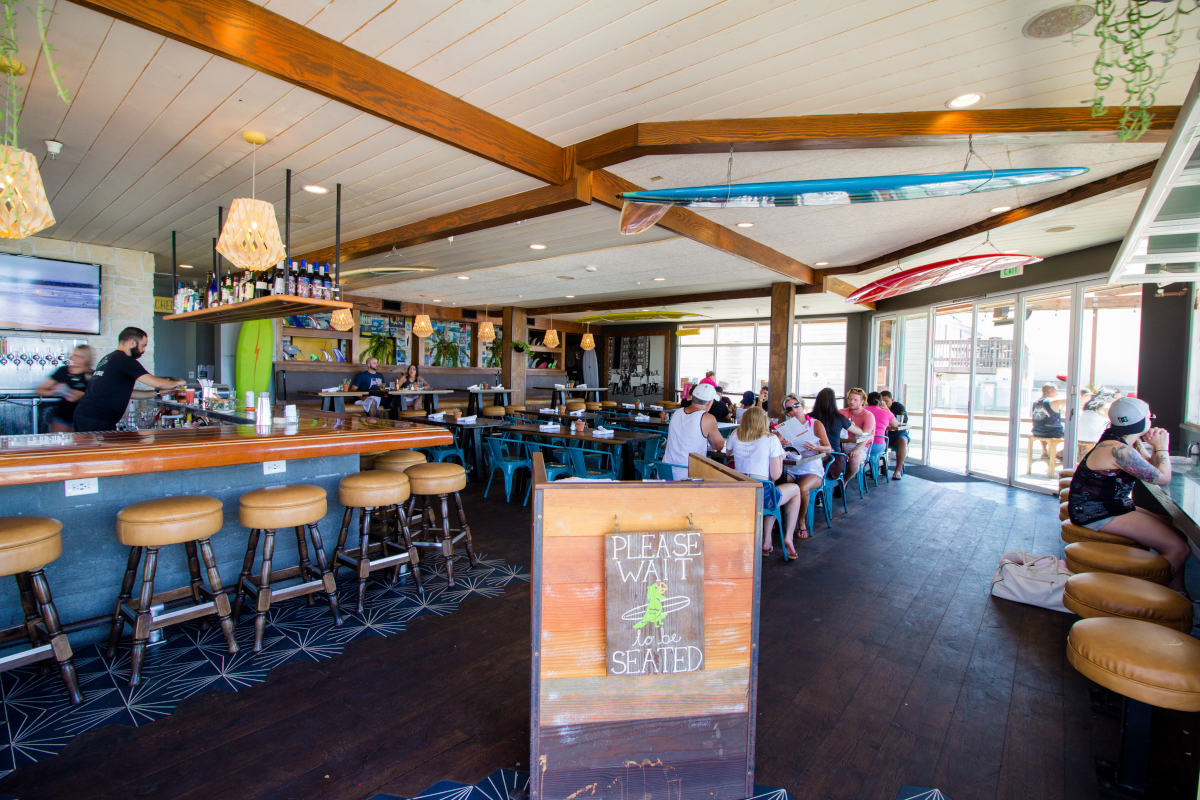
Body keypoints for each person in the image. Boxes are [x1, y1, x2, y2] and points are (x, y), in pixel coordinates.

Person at [1067, 397, 1188, 592]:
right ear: (1142, 423)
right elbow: (1162, 477)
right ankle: (1146, 595)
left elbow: (1150, 468)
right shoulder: (1118, 450)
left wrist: (1149, 445)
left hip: (1106, 505)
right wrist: (1162, 446)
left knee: (1168, 525)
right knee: (1179, 548)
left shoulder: (1120, 442)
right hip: (1097, 512)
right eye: (1151, 417)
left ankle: (1178, 596)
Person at [73, 327, 185, 432]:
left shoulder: (109, 358)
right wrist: (178, 382)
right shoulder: (125, 360)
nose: (143, 350)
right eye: (143, 346)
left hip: (87, 415)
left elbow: (128, 393)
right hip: (96, 419)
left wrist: (157, 393)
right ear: (132, 342)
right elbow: (156, 382)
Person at [726, 406, 803, 559]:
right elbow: (776, 474)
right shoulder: (771, 439)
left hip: (740, 492)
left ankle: (767, 541)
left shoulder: (735, 434)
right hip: (761, 493)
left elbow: (728, 453)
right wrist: (780, 456)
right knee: (793, 491)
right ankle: (788, 537)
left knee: (773, 493)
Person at [777, 397, 832, 540]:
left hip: (812, 468)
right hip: (793, 467)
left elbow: (829, 448)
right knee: (777, 480)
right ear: (787, 413)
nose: (794, 410)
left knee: (801, 488)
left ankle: (801, 522)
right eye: (789, 408)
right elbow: (778, 448)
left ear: (802, 406)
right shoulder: (785, 427)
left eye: (796, 406)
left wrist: (816, 447)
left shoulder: (815, 424)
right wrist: (782, 443)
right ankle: (780, 520)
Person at [663, 382, 725, 480]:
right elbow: (718, 445)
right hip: (689, 475)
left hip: (666, 472)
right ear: (709, 402)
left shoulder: (677, 413)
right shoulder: (707, 418)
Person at [37, 345, 94, 432]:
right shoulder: (63, 371)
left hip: (83, 419)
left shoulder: (92, 375)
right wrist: (55, 391)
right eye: (73, 355)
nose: (73, 358)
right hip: (62, 418)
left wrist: (81, 395)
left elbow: (99, 398)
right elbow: (40, 390)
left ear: (86, 359)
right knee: (58, 444)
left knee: (79, 445)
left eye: (78, 356)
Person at [809, 387, 860, 479]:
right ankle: (841, 486)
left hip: (812, 458)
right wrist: (851, 424)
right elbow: (859, 432)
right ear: (833, 402)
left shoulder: (809, 417)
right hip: (833, 461)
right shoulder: (840, 418)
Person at [839, 387, 875, 483]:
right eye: (850, 399)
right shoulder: (842, 412)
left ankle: (844, 482)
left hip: (861, 445)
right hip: (842, 444)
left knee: (854, 460)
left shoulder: (868, 415)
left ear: (862, 401)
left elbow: (866, 436)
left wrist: (857, 449)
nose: (852, 402)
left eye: (855, 400)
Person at [865, 392, 897, 479]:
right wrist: (887, 409)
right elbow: (895, 424)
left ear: (867, 401)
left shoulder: (862, 411)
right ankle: (875, 468)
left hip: (863, 445)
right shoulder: (886, 412)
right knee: (876, 454)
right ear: (880, 401)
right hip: (878, 445)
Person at [1031, 382, 1065, 459]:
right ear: (1050, 390)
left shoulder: (1036, 402)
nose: (1057, 393)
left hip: (1037, 432)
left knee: (1042, 425)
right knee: (1072, 435)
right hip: (1052, 432)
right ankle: (1060, 453)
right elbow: (1069, 399)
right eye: (1056, 390)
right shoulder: (1052, 401)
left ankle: (1044, 450)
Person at [880, 390, 908, 479]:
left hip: (897, 433)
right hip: (883, 433)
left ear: (892, 400)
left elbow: (904, 421)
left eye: (887, 401)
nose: (884, 403)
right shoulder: (878, 408)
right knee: (874, 439)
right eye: (882, 401)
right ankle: (875, 466)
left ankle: (898, 470)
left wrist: (887, 411)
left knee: (902, 441)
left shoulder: (898, 407)